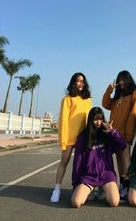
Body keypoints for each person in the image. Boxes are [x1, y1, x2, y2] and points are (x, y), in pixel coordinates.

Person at [71, 107, 127, 208]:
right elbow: (77, 162)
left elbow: (122, 145)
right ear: (91, 120)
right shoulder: (83, 137)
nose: (98, 122)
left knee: (114, 202)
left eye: (100, 119)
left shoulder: (107, 134)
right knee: (76, 202)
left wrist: (112, 132)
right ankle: (90, 191)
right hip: (88, 177)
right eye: (95, 119)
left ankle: (103, 189)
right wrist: (76, 184)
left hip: (106, 175)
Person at [50, 72, 92, 203]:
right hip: (69, 137)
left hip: (83, 138)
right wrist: (63, 140)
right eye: (78, 81)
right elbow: (63, 120)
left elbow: (89, 120)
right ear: (73, 83)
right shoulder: (67, 99)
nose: (80, 84)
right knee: (64, 162)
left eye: (82, 81)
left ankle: (79, 188)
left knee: (82, 164)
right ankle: (56, 190)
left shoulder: (88, 100)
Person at [102, 70, 136, 199]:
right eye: (119, 80)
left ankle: (129, 185)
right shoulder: (117, 98)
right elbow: (105, 103)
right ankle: (123, 184)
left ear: (129, 80)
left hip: (124, 134)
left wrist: (130, 135)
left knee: (126, 161)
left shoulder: (134, 95)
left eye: (124, 80)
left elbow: (134, 115)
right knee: (119, 159)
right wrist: (110, 90)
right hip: (114, 134)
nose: (121, 82)